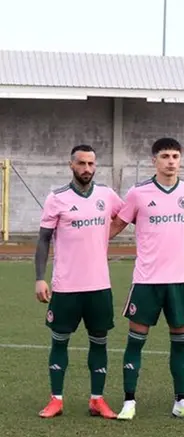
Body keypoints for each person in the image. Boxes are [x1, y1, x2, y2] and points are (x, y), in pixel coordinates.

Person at [110, 137, 184, 420]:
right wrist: (88, 246)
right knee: (136, 341)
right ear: (153, 160)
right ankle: (129, 402)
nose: (171, 161)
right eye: (165, 156)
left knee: (181, 342)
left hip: (180, 279)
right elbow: (117, 224)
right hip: (146, 280)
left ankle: (181, 401)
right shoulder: (138, 193)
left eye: (176, 156)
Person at [34, 145, 123, 419]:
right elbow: (44, 239)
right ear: (71, 165)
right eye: (82, 163)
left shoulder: (106, 195)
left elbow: (127, 215)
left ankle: (97, 399)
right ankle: (56, 400)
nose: (87, 169)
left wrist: (105, 235)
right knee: (59, 341)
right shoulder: (56, 198)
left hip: (99, 286)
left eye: (91, 164)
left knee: (99, 342)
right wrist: (40, 278)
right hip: (66, 286)